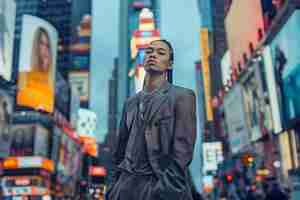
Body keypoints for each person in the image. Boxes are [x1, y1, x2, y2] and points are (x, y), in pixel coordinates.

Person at [105, 39, 197, 200]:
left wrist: (163, 190)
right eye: (149, 51)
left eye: (160, 53)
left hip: (157, 186)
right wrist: (113, 188)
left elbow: (182, 152)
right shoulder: (130, 103)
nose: (153, 55)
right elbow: (119, 152)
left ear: (170, 64)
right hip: (124, 188)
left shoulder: (182, 97)